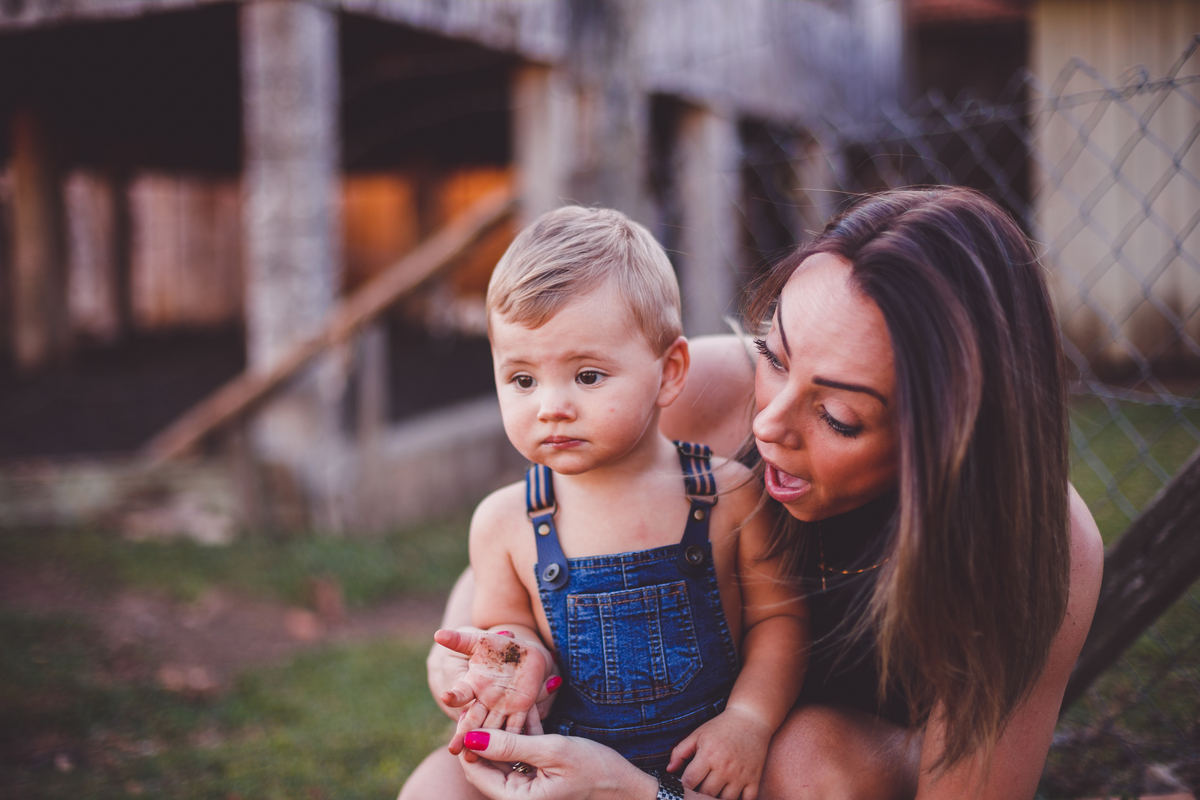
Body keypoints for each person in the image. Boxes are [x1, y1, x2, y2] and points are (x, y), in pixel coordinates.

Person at [410, 187, 1105, 800]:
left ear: (949, 438)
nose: (767, 424)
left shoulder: (1039, 547)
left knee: (810, 760)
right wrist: (483, 661)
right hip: (605, 746)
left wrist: (644, 797)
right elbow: (501, 571)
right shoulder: (680, 394)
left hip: (785, 773)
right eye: (774, 355)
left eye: (839, 417)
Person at [400, 206, 808, 800]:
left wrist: (748, 721)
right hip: (559, 773)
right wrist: (517, 661)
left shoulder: (726, 494)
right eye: (522, 379)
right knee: (430, 788)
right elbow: (509, 623)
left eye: (587, 376)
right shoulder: (505, 522)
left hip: (701, 768)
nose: (551, 406)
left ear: (670, 373)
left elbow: (780, 620)